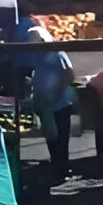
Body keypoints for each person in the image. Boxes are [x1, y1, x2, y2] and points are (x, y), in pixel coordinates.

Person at [28, 27, 76, 181]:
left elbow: (69, 75)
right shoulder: (38, 57)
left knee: (61, 136)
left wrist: (54, 92)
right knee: (50, 136)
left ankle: (63, 168)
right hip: (45, 104)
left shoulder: (58, 54)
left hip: (60, 102)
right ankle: (55, 165)